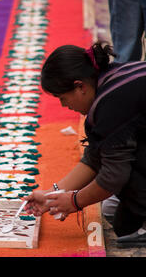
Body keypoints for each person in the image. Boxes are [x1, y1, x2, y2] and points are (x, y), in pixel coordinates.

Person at [24, 42, 146, 247]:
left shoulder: (111, 105)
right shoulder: (111, 78)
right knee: (110, 208)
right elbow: (96, 156)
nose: (65, 106)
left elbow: (113, 176)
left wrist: (74, 202)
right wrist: (54, 194)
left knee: (125, 220)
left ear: (80, 86)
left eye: (63, 98)